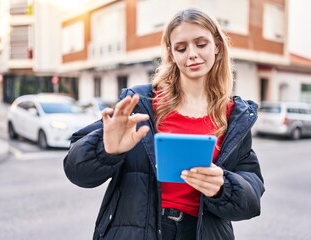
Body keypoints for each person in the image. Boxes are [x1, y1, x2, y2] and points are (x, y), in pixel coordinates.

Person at [64, 7, 265, 240]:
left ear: (217, 46)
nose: (191, 54)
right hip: (138, 231)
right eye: (181, 48)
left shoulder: (235, 117)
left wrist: (224, 186)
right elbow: (76, 170)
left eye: (201, 44)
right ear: (171, 53)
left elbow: (252, 197)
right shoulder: (140, 104)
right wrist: (105, 149)